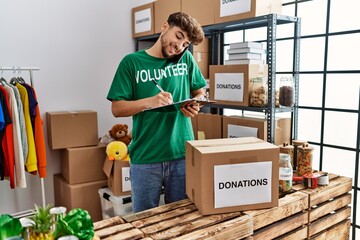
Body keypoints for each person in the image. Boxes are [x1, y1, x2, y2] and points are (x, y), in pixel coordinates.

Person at [107, 12, 207, 212]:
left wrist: (196, 103)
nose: (180, 46)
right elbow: (117, 108)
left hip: (182, 154)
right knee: (144, 221)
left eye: (186, 43)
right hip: (146, 158)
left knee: (181, 219)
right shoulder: (131, 62)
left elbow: (200, 92)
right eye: (178, 36)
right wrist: (149, 102)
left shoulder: (185, 59)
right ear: (164, 27)